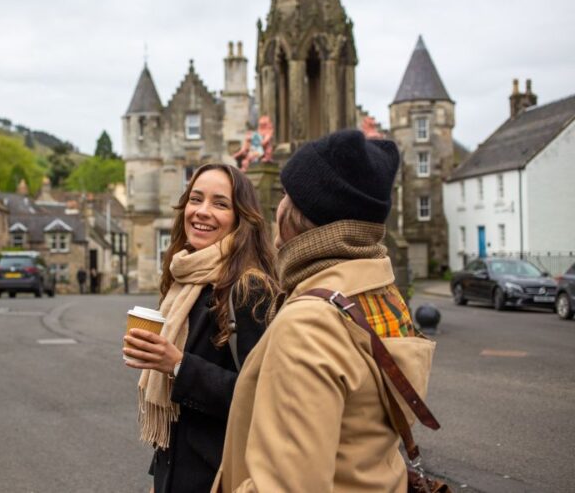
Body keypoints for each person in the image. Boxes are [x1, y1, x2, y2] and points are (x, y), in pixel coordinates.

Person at [213, 130, 436, 492]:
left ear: (297, 214)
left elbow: (286, 485)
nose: (277, 205)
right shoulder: (383, 295)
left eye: (286, 194)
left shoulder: (309, 325)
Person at [123, 163, 278, 493]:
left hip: (222, 476)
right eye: (196, 199)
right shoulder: (184, 278)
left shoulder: (250, 288)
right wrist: (159, 479)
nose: (202, 212)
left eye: (220, 203)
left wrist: (177, 365)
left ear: (241, 217)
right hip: (178, 472)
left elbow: (262, 395)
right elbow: (177, 416)